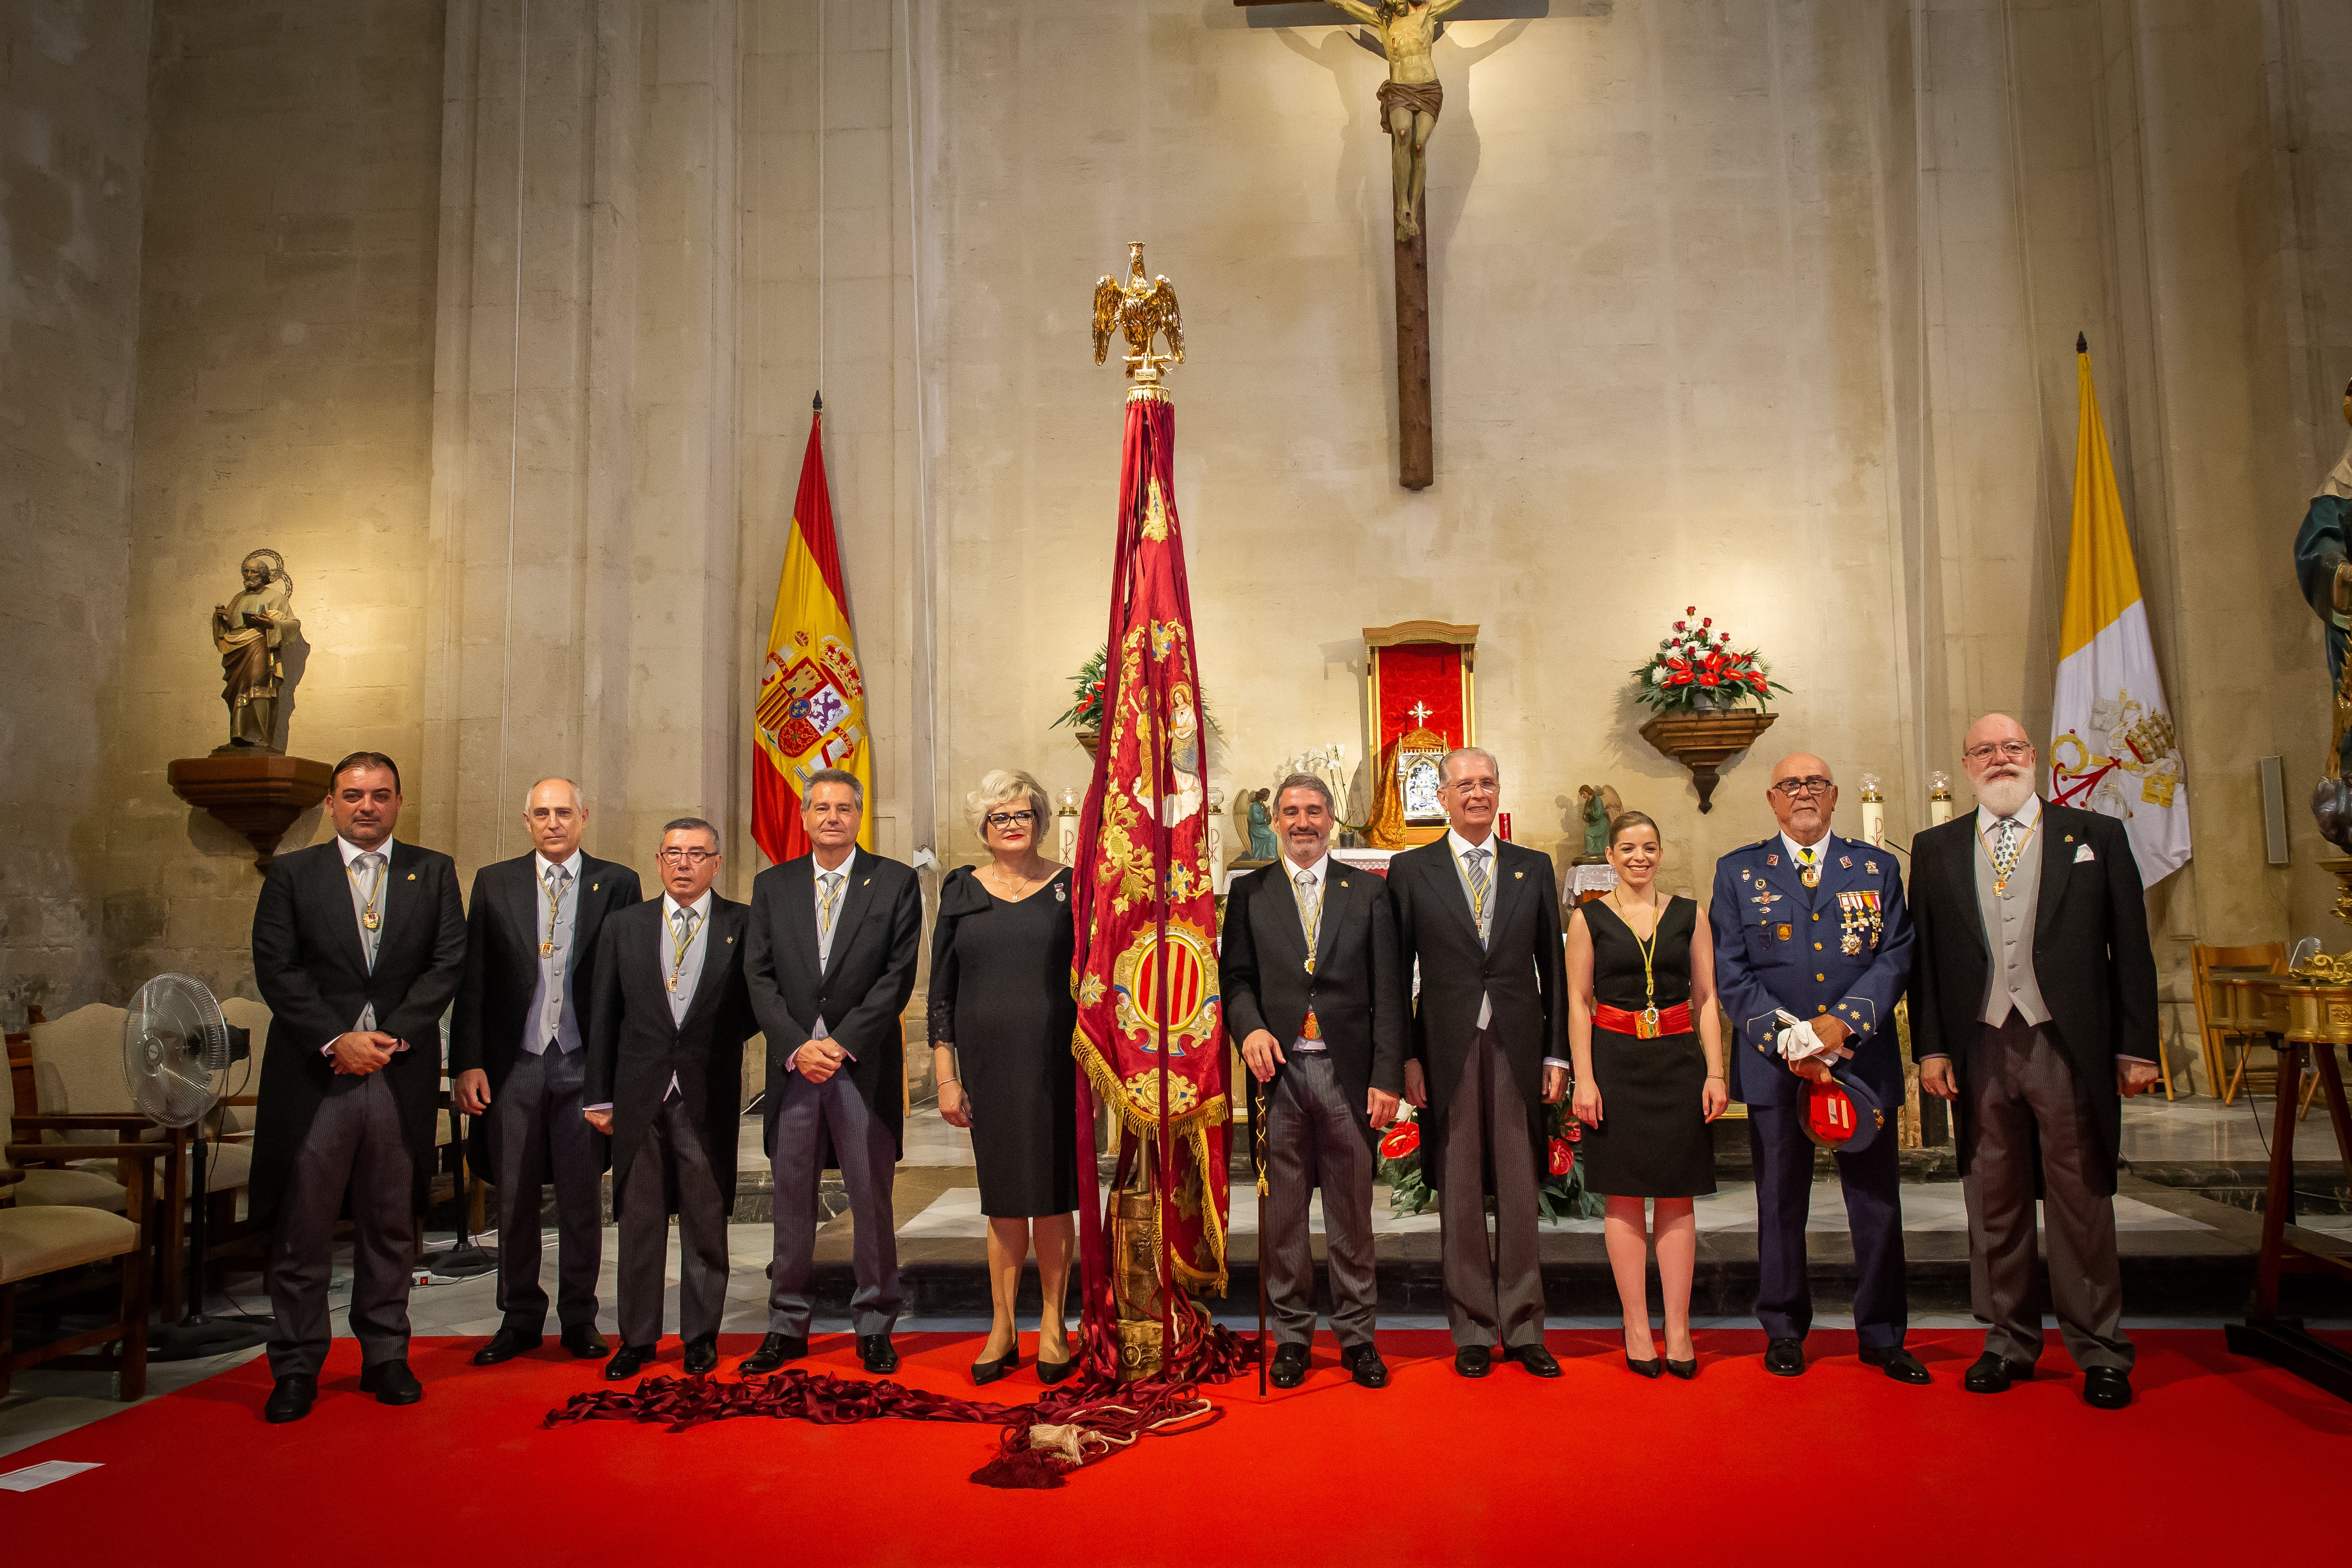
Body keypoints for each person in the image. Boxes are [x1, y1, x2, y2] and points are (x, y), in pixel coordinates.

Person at [1909, 714, 2160, 1409]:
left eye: (2012, 747)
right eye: (1985, 750)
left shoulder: (2095, 837)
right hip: (1981, 1042)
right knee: (1993, 1198)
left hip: (2067, 1043)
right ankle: (2007, 1341)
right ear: (1966, 766)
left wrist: (2138, 1045)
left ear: (2034, 757)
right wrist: (1930, 1046)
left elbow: (2130, 948)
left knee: (2082, 1199)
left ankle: (2101, 1349)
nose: (2000, 758)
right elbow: (1925, 961)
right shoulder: (1936, 848)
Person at [248, 751, 466, 1424]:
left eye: (379, 794)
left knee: (390, 1222)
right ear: (331, 804)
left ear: (399, 801)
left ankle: (385, 1355)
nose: (366, 806)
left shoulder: (431, 872)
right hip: (318, 1078)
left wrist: (392, 1036)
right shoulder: (293, 874)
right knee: (303, 1228)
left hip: (397, 1073)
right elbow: (276, 967)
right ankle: (294, 1365)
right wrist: (337, 1038)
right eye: (353, 795)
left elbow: (447, 961)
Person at [1709, 753, 1926, 1383]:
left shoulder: (1876, 866)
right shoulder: (1738, 870)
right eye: (1790, 785)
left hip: (1860, 1060)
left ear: (1833, 797)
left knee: (1875, 1203)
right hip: (1778, 1066)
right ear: (1772, 800)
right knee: (1778, 1203)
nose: (1802, 794)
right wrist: (1790, 1038)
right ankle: (1781, 1326)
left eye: (1814, 784)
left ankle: (1883, 1334)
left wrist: (1840, 1026)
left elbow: (1896, 955)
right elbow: (1731, 970)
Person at [1221, 773, 1409, 1390]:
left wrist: (1386, 1076)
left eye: (1315, 810)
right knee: (1283, 1216)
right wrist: (1247, 1028)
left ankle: (1357, 1336)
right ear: (1274, 819)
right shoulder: (1250, 892)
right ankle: (1293, 1336)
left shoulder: (1367, 892)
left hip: (1346, 1074)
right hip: (1278, 1073)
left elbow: (1388, 991)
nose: (1303, 821)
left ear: (1331, 820)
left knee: (1352, 1213)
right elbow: (1236, 980)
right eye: (1292, 811)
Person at [1390, 747, 1567, 1380]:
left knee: (1519, 1186)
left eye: (1487, 782)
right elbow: (1391, 975)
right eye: (1464, 784)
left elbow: (1555, 964)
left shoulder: (1532, 866)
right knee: (1460, 1184)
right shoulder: (1411, 871)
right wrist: (1404, 1056)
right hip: (1446, 1043)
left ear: (1499, 791)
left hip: (1517, 1042)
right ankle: (1470, 1324)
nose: (1477, 793)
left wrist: (1558, 1053)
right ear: (1441, 796)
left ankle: (1522, 1325)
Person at [451, 777, 641, 1367]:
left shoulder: (617, 882)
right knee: (514, 1196)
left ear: (584, 817)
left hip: (585, 1061)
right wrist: (468, 1061)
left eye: (564, 812)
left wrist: (620, 1077)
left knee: (582, 1196)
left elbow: (627, 983)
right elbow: (473, 977)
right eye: (542, 813)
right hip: (518, 1060)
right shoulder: (495, 881)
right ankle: (520, 1316)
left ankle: (580, 1316)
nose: (554, 822)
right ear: (526, 820)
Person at [742, 768, 924, 1376]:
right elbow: (758, 976)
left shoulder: (894, 882)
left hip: (858, 1066)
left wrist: (841, 1042)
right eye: (820, 807)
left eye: (843, 807)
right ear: (803, 815)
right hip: (794, 1068)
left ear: (857, 815)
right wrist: (798, 1044)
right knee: (791, 1199)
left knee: (870, 1200)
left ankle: (874, 1323)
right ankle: (786, 1325)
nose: (831, 817)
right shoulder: (772, 885)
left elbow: (896, 977)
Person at [582, 818, 753, 1381]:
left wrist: (711, 1044)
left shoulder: (742, 924)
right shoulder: (624, 926)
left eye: (696, 854)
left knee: (706, 1219)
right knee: (639, 1222)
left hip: (705, 1091)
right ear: (657, 860)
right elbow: (603, 1014)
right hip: (636, 1093)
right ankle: (636, 1338)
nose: (684, 864)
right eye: (674, 854)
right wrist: (598, 1095)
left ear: (716, 863)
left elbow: (754, 1007)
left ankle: (701, 1335)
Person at [928, 770, 1080, 1385]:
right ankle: (1001, 1325)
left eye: (1021, 814)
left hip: (1056, 1061)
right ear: (983, 828)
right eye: (999, 817)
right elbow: (941, 990)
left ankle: (1051, 1322)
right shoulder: (960, 889)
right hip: (988, 1067)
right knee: (1002, 1199)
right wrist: (945, 1075)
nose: (1011, 825)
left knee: (1050, 1193)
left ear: (1042, 822)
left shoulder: (1071, 887)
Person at [1566, 810, 1728, 1378]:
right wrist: (1582, 1079)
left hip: (1678, 1061)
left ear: (1661, 853)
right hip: (1614, 1064)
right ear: (1608, 856)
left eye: (1649, 847)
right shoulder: (1589, 918)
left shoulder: (1690, 914)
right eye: (1627, 848)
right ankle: (1636, 1323)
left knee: (1678, 1195)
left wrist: (1715, 1071)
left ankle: (1678, 1326)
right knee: (1624, 1197)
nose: (1639, 857)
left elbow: (1707, 997)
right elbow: (1578, 1003)